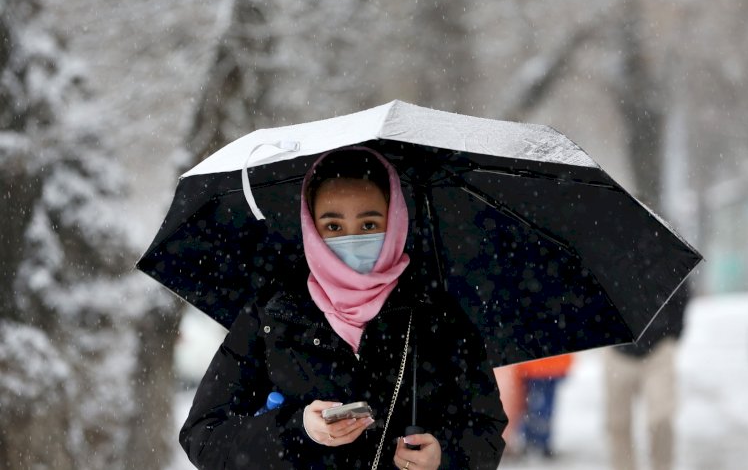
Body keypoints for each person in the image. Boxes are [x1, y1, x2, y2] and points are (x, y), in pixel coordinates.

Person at [179, 147, 508, 469]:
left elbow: (486, 431)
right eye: (333, 226)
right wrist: (298, 430)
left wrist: (444, 457)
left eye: (368, 225)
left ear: (394, 221)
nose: (351, 239)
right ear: (312, 227)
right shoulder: (272, 314)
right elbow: (203, 436)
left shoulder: (438, 314)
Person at [604, 282, 692, 470]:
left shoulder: (665, 256)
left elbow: (682, 293)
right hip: (618, 353)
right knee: (617, 423)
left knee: (662, 419)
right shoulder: (606, 259)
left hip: (659, 350)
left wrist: (674, 331)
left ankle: (662, 466)